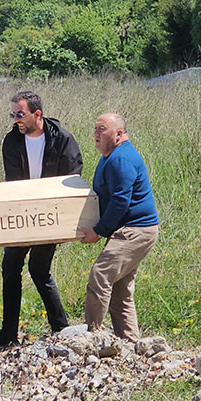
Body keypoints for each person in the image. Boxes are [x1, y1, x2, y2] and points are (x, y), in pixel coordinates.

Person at [0, 91, 83, 347]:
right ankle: (9, 332)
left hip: (50, 213)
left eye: (20, 114)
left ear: (37, 114)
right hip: (22, 212)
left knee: (39, 269)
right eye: (13, 114)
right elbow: (13, 182)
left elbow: (73, 175)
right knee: (10, 267)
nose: (15, 120)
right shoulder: (11, 142)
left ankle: (60, 327)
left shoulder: (62, 139)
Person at [77, 113, 159, 343]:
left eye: (102, 129)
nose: (96, 134)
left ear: (119, 134)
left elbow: (121, 201)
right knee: (120, 289)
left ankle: (92, 337)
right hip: (131, 229)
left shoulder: (121, 158)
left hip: (136, 230)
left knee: (101, 274)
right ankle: (130, 344)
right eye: (95, 129)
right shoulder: (111, 156)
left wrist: (99, 230)